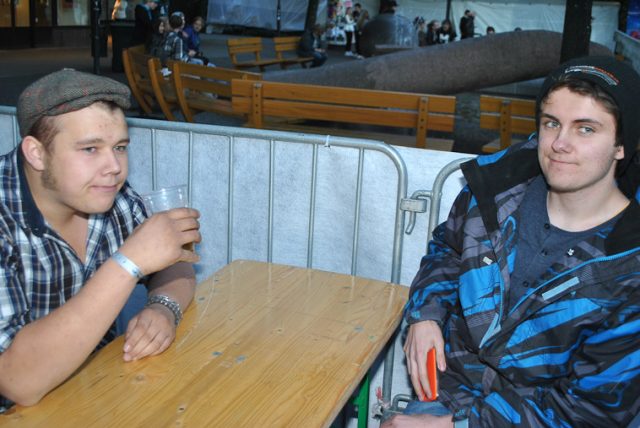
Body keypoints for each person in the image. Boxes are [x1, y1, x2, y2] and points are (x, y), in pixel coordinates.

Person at [382, 55, 640, 427]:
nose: (560, 143)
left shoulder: (629, 265)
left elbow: (592, 412)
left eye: (586, 129)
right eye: (552, 123)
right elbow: (449, 250)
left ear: (621, 145)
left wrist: (456, 426)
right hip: (451, 393)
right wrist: (426, 314)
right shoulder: (496, 191)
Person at [0, 69, 201, 412]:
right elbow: (17, 382)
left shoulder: (107, 194)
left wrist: (162, 308)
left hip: (92, 392)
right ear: (36, 153)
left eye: (120, 147)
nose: (114, 168)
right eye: (90, 148)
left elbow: (175, 264)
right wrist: (128, 262)